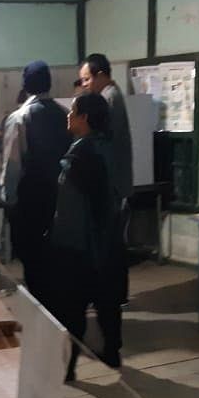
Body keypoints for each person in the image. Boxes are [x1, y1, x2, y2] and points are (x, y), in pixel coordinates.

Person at [48, 92, 123, 382]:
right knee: (107, 303)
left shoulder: (80, 156)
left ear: (86, 119)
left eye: (74, 111)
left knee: (71, 307)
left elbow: (70, 210)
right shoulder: (109, 149)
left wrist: (59, 245)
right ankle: (112, 354)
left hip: (78, 245)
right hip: (108, 241)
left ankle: (66, 368)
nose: (69, 115)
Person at [0, 61, 72, 300]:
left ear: (25, 85)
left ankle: (43, 320)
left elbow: (13, 165)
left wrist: (8, 200)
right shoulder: (65, 114)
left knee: (34, 266)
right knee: (56, 265)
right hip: (61, 202)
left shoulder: (20, 118)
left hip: (31, 204)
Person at [79, 53, 132, 305]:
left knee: (110, 246)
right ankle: (114, 295)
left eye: (87, 79)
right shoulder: (111, 96)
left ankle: (112, 296)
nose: (85, 84)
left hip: (111, 185)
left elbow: (105, 145)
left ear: (101, 75)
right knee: (112, 244)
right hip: (114, 183)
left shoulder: (109, 100)